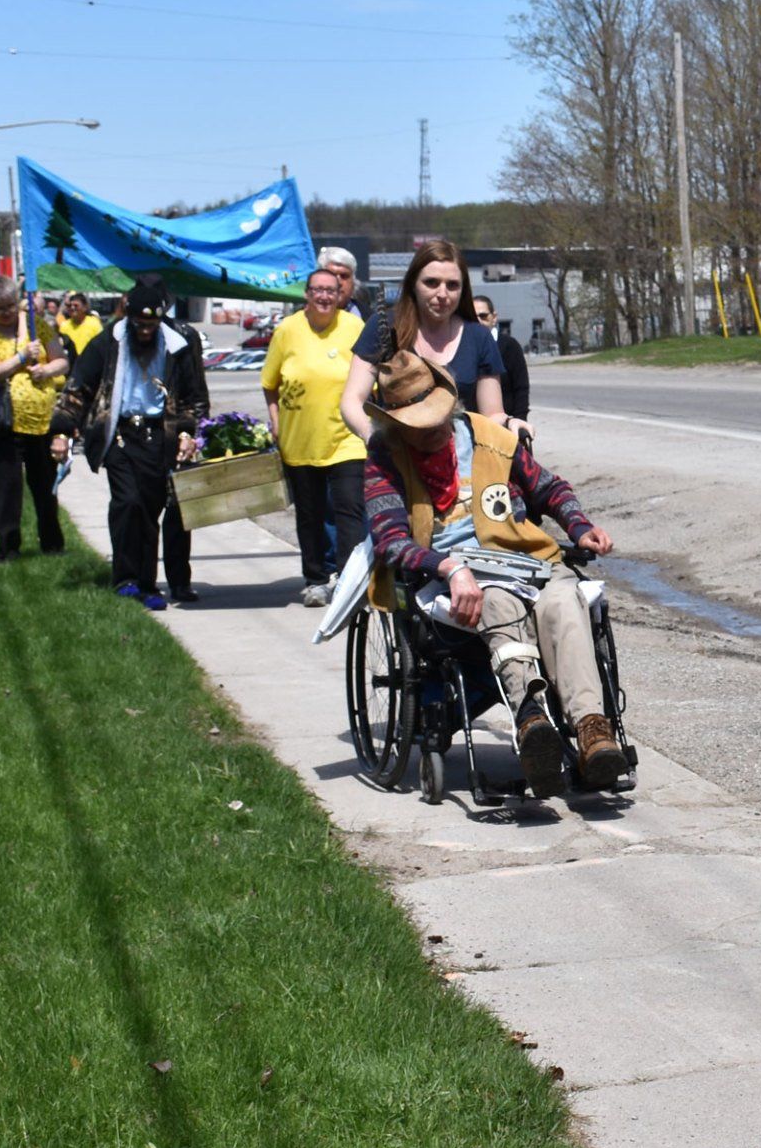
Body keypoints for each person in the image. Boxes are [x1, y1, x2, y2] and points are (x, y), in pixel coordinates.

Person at [361, 350, 625, 795]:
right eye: (416, 425)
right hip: (456, 571)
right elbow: (389, 539)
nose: (429, 431)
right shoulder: (385, 455)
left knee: (565, 601)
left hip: (527, 560)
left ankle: (592, 731)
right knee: (498, 602)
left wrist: (580, 528)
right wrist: (448, 567)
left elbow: (550, 488)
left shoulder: (490, 437)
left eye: (435, 419)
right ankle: (531, 719)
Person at [50, 272, 209, 611]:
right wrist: (62, 429)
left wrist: (188, 432)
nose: (145, 331)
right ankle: (125, 579)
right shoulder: (109, 342)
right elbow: (79, 387)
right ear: (128, 317)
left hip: (159, 436)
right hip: (120, 435)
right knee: (127, 503)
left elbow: (193, 396)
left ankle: (148, 584)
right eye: (139, 325)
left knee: (149, 510)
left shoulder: (178, 344)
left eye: (151, 326)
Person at [262, 267, 367, 608]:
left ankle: (350, 581)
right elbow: (270, 384)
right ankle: (316, 579)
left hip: (347, 439)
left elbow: (372, 378)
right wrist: (275, 421)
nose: (324, 296)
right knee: (309, 514)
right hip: (300, 440)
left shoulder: (354, 328)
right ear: (306, 294)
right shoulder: (287, 330)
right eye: (317, 290)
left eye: (330, 290)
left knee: (349, 510)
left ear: (340, 295)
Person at [338, 238, 512, 444]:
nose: (442, 294)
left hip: (461, 460)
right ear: (413, 284)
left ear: (463, 289)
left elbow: (492, 415)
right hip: (396, 456)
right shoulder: (383, 327)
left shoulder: (479, 337)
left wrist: (510, 423)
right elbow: (352, 400)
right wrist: (373, 436)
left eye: (452, 285)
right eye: (431, 283)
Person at [0, 276, 68, 561]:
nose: (6, 312)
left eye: (10, 305)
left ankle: (52, 543)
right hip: (5, 423)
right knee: (8, 487)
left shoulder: (38, 326)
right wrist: (21, 358)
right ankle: (9, 546)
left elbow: (62, 361)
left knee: (45, 485)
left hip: (42, 420)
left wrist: (46, 370)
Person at [472, 296, 530, 423]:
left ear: (494, 317)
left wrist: (519, 421)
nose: (478, 321)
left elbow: (521, 387)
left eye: (483, 316)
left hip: (505, 424)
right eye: (473, 317)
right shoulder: (464, 348)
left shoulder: (509, 346)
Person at [315, 246, 363, 319]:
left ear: (353, 283)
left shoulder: (373, 321)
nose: (339, 282)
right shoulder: (300, 320)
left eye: (344, 276)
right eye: (332, 275)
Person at [57, 291, 103, 366]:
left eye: (76, 305)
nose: (72, 308)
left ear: (85, 308)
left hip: (89, 363)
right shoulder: (64, 326)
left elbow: (101, 346)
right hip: (71, 364)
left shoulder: (94, 324)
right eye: (70, 305)